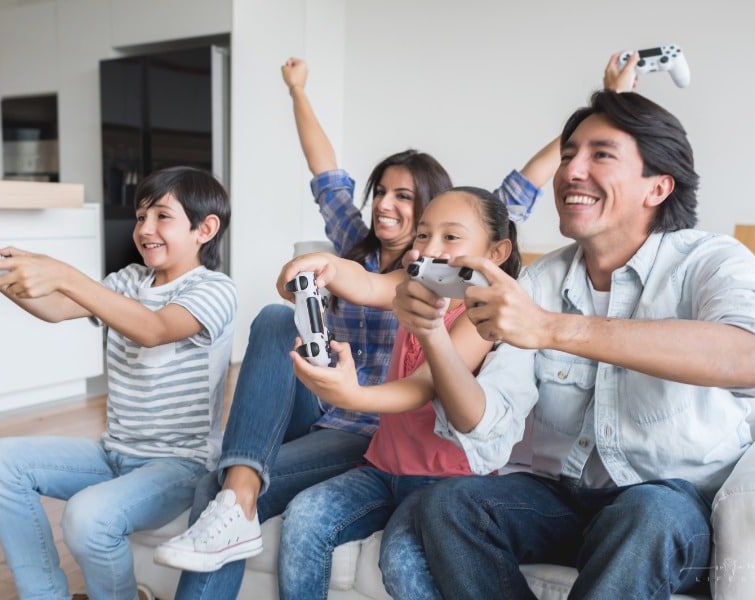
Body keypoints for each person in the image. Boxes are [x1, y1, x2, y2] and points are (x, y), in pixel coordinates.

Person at [382, 88, 755, 600]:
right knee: (447, 505)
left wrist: (552, 328)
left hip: (672, 508)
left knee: (647, 512)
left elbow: (754, 357)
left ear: (657, 187)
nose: (570, 171)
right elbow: (487, 421)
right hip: (565, 499)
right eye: (567, 156)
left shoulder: (711, 260)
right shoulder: (540, 280)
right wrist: (433, 336)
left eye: (599, 154)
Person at [154, 56, 553, 599]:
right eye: (382, 194)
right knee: (274, 320)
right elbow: (345, 232)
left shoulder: (481, 302)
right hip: (339, 411)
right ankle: (237, 495)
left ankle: (239, 492)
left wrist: (578, 132)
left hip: (375, 426)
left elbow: (519, 191)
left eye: (406, 199)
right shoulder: (380, 258)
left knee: (385, 552)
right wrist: (317, 267)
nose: (387, 207)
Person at [0, 166, 237, 600]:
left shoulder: (214, 289)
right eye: (141, 217)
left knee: (87, 517)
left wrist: (64, 273)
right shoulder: (127, 281)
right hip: (114, 452)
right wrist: (0, 281)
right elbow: (58, 308)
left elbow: (154, 329)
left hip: (180, 465)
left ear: (205, 229)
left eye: (162, 216)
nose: (146, 229)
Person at [274, 186, 520, 599]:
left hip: (444, 485)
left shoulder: (484, 315)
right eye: (423, 235)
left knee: (402, 561)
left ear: (495, 253)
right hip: (382, 468)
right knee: (304, 516)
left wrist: (352, 395)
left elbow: (422, 387)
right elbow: (367, 283)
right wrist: (324, 265)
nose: (430, 247)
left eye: (451, 237)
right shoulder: (414, 286)